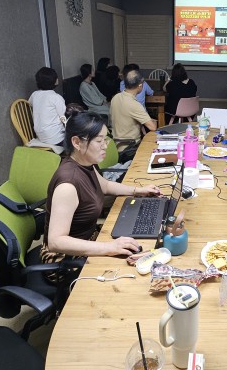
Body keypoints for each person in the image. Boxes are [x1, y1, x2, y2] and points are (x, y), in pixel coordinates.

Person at [41, 111, 162, 276]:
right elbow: (56, 242)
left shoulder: (85, 163)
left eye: (105, 139)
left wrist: (139, 191)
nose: (105, 145)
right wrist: (109, 247)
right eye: (99, 141)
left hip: (88, 239)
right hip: (64, 259)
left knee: (142, 246)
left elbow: (105, 186)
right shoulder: (68, 185)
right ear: (76, 142)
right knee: (133, 269)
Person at [111, 69, 157, 161]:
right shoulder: (134, 105)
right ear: (140, 86)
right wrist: (154, 121)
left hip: (116, 146)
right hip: (130, 149)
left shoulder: (115, 98)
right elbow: (153, 127)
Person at [28, 67, 66, 147]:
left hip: (41, 136)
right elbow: (63, 116)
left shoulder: (34, 94)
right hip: (56, 138)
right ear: (55, 81)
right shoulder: (56, 97)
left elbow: (29, 103)